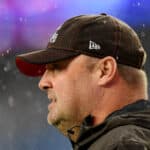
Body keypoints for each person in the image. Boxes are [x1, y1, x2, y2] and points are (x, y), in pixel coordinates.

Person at [16, 13, 150, 150]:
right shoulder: (119, 140)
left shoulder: (123, 145)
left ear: (105, 70)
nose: (42, 83)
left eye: (56, 67)